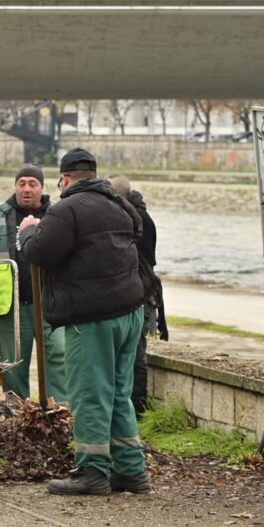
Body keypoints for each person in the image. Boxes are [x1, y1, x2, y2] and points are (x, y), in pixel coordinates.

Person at [18, 148, 149, 496]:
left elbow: (42, 252)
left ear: (64, 179)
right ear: (94, 174)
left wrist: (29, 231)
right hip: (130, 311)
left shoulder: (66, 209)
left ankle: (91, 471)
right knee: (119, 393)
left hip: (91, 318)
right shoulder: (120, 204)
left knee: (90, 394)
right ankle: (131, 469)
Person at [0, 164, 66, 402]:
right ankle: (15, 411)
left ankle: (59, 410)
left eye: (32, 184)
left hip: (51, 303)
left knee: (59, 355)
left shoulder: (58, 214)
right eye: (21, 183)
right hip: (12, 305)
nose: (26, 189)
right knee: (11, 360)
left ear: (42, 188)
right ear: (15, 186)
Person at [108, 174, 166, 415]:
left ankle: (138, 409)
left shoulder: (132, 217)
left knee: (135, 353)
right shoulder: (141, 214)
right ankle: (133, 407)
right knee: (132, 352)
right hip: (141, 289)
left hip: (138, 292)